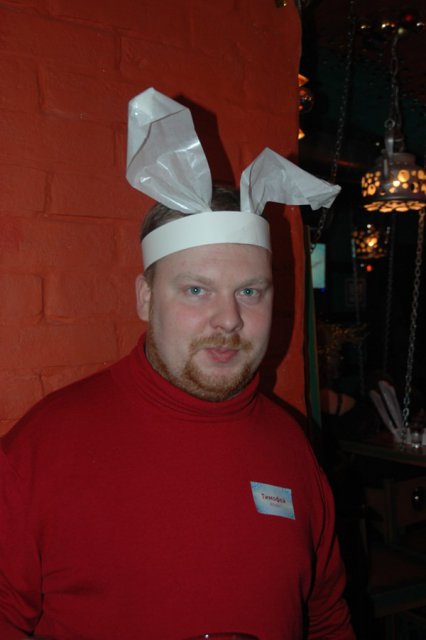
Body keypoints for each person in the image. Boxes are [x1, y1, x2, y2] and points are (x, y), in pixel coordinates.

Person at [0, 89, 354, 640]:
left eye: (250, 291)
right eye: (195, 290)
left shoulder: (291, 443)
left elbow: (327, 617)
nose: (229, 319)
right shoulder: (41, 450)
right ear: (145, 298)